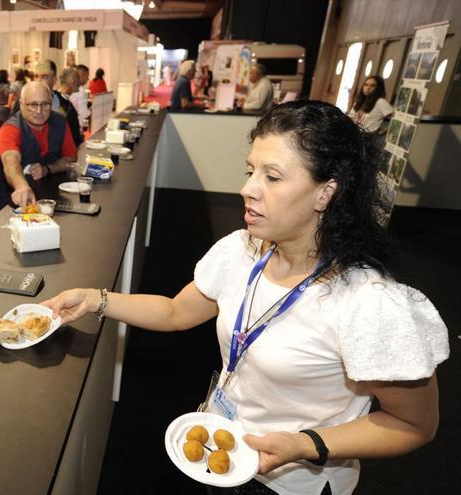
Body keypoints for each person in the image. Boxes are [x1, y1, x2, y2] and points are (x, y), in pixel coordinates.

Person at [43, 101, 448, 495]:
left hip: (292, 483)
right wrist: (95, 299)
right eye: (250, 171)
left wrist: (306, 444)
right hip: (225, 452)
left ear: (325, 193)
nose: (246, 189)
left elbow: (414, 425)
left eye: (272, 177)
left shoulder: (369, 302)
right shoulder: (243, 250)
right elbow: (176, 311)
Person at [0, 81, 78, 208]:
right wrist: (21, 186)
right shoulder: (10, 128)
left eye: (45, 104)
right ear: (21, 104)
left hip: (49, 199)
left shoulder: (60, 121)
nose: (39, 111)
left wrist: (47, 169)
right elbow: (10, 161)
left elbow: (70, 158)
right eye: (33, 105)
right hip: (9, 204)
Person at [55, 68, 84, 146]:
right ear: (72, 82)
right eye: (78, 79)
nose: (80, 82)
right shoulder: (57, 101)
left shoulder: (64, 99)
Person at [71, 65, 91, 132]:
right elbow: (84, 114)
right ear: (82, 75)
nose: (88, 79)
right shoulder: (80, 91)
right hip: (77, 126)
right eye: (87, 76)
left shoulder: (71, 87)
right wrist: (92, 110)